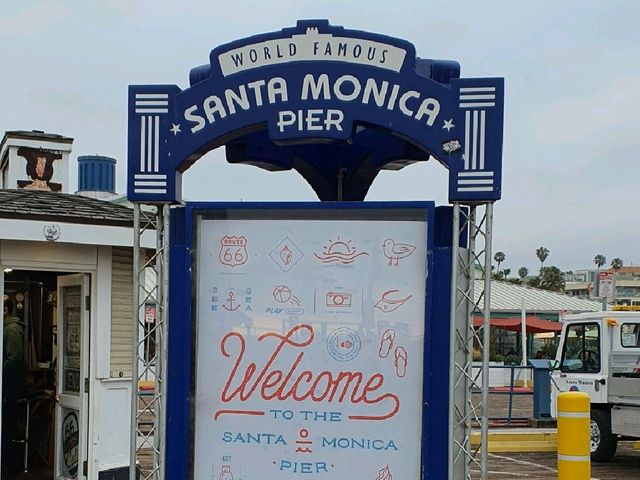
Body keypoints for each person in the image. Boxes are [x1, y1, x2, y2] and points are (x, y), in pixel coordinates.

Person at [2, 296, 26, 477]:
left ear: (5, 310)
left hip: (9, 388)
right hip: (7, 386)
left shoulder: (11, 331)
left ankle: (9, 468)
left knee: (6, 427)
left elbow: (15, 358)